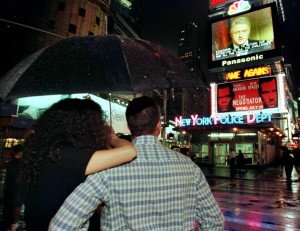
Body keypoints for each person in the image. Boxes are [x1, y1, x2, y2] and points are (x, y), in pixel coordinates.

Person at [49, 96, 224, 230]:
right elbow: (214, 221)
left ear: (129, 126)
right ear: (159, 125)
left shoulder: (108, 171)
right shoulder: (190, 168)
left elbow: (62, 225)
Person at [19, 98, 137, 231]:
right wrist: (113, 138)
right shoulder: (70, 157)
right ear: (84, 126)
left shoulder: (52, 153)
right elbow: (129, 151)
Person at [2, 144, 25, 231]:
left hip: (9, 190)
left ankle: (8, 226)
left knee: (8, 209)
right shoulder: (22, 163)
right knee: (16, 206)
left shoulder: (10, 163)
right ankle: (13, 226)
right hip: (17, 190)